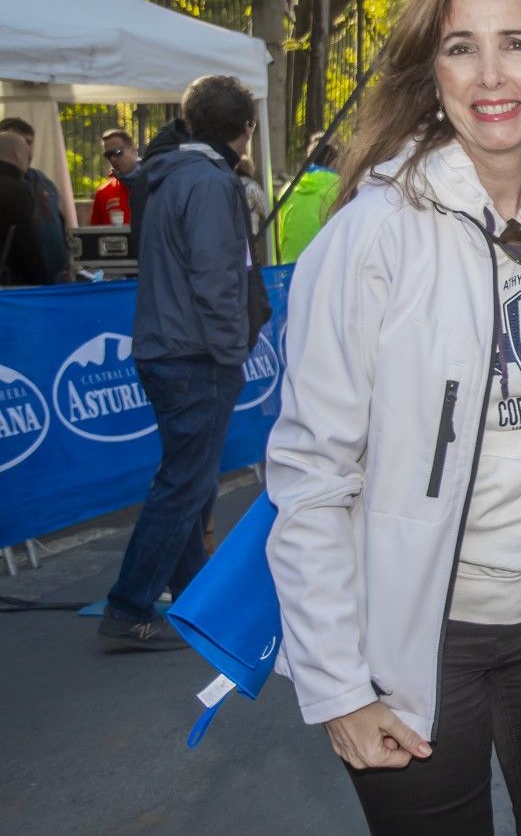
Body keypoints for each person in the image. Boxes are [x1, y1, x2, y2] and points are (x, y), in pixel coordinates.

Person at [265, 0, 521, 836]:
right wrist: (336, 684)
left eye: (516, 43)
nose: (490, 75)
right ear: (430, 74)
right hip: (417, 639)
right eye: (459, 48)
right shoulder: (372, 235)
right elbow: (311, 473)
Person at [97, 76, 262, 651]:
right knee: (184, 485)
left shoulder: (164, 173)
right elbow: (216, 278)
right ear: (243, 131)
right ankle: (129, 605)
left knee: (186, 482)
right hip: (193, 352)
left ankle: (192, 593)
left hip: (166, 346)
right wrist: (231, 349)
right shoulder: (208, 181)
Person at [0, 117, 71, 282]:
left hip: (55, 279)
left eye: (29, 142)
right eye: (21, 141)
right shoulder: (13, 188)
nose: (27, 149)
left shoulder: (44, 183)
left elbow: (58, 224)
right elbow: (26, 243)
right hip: (19, 285)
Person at [275, 132, 343, 263]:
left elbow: (281, 236)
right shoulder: (340, 187)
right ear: (334, 163)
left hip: (290, 267)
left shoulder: (286, 190)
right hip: (323, 267)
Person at [0, 132, 52, 286]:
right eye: (27, 155)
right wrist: (45, 283)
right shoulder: (16, 190)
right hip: (12, 285)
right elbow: (27, 244)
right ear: (16, 155)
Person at [91, 129, 139, 226]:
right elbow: (95, 235)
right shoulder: (103, 193)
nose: (113, 159)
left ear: (133, 150)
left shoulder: (154, 182)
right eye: (108, 155)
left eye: (117, 152)